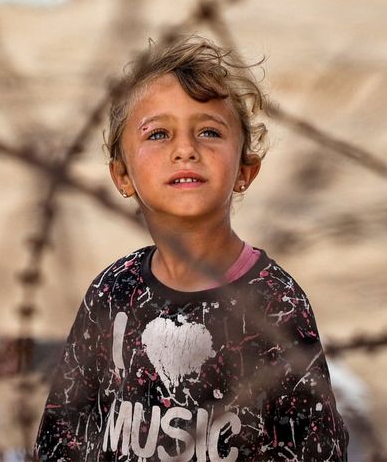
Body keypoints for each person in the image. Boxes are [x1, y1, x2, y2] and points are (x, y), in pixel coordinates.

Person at [34, 37, 348, 461]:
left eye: (209, 132)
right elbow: (61, 438)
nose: (185, 150)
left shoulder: (274, 305)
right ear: (122, 176)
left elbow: (317, 451)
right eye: (158, 134)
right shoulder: (112, 294)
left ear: (245, 170)